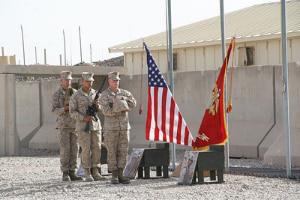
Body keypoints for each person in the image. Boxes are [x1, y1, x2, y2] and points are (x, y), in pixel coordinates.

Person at [99, 71, 136, 184]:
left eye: (117, 80)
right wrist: (118, 108)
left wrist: (123, 102)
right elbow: (105, 111)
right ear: (109, 81)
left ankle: (121, 174)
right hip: (111, 129)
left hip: (124, 128)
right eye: (114, 80)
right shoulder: (104, 95)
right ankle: (114, 175)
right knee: (112, 151)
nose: (116, 82)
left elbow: (133, 104)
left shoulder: (125, 93)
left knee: (123, 151)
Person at [69, 72, 105, 182]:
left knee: (97, 148)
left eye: (91, 82)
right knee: (86, 149)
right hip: (82, 126)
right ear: (82, 82)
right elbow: (72, 112)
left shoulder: (95, 94)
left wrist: (98, 106)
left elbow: (102, 109)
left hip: (95, 125)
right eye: (88, 81)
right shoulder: (76, 95)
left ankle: (95, 171)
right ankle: (87, 172)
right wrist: (83, 118)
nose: (90, 84)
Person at [52, 71, 82, 181]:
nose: (68, 82)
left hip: (74, 125)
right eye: (66, 80)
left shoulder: (75, 93)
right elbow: (54, 109)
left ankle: (72, 172)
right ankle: (65, 173)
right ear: (61, 81)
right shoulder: (57, 94)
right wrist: (64, 109)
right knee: (65, 150)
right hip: (63, 126)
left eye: (70, 80)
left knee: (75, 149)